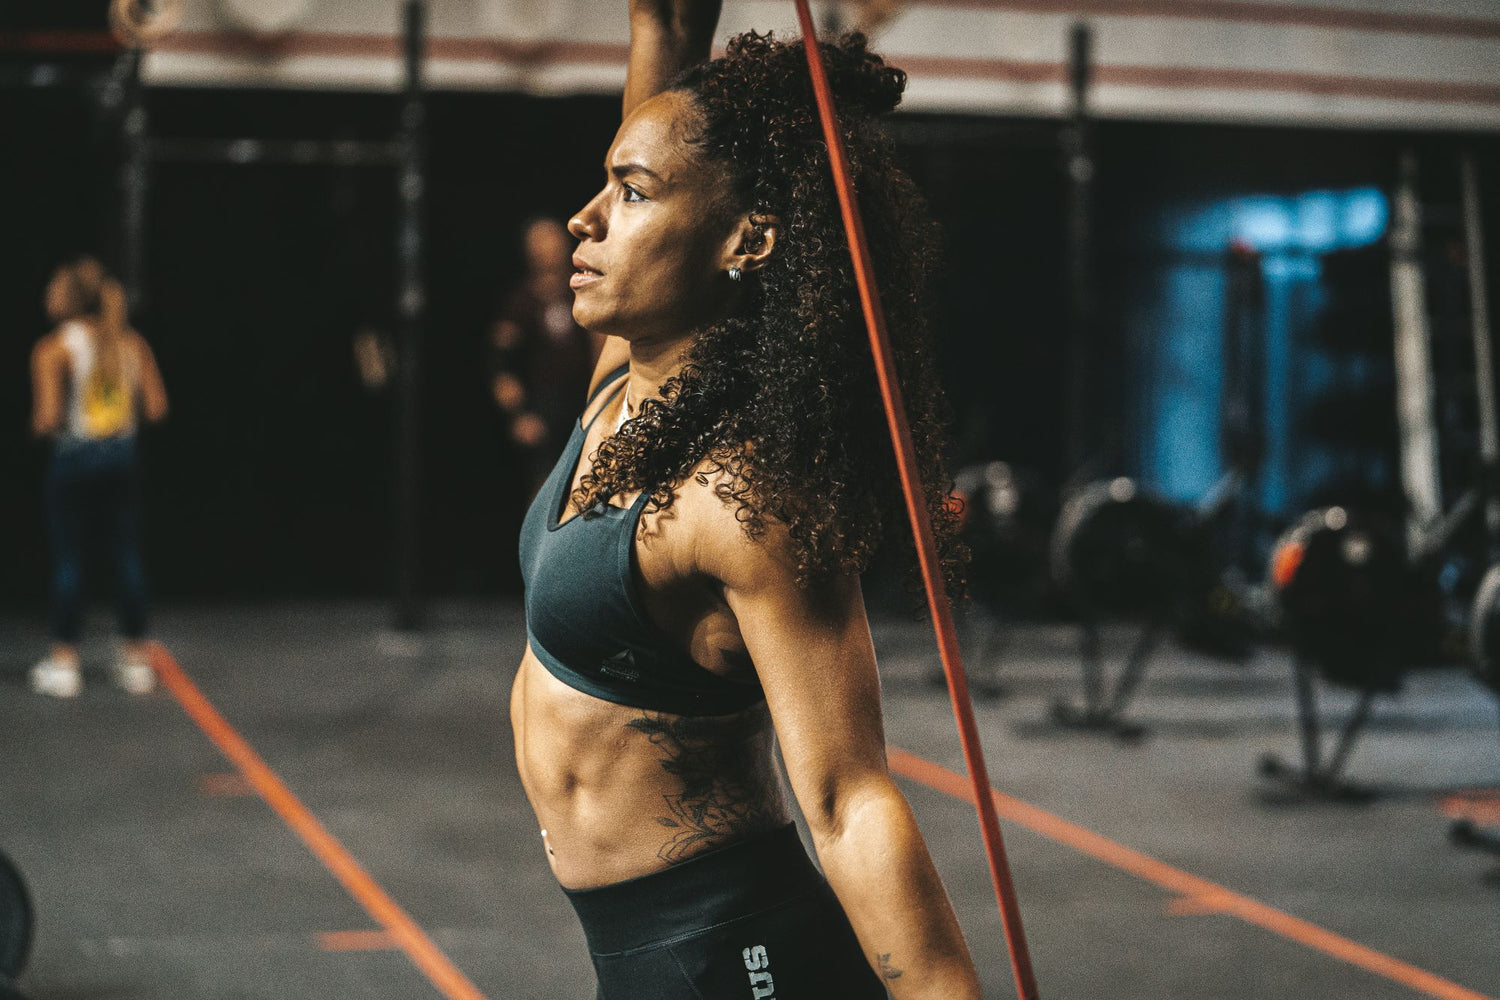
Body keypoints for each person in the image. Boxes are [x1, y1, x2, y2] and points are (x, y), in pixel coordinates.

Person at [511, 2, 982, 997]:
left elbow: (848, 796)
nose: (583, 218)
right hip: (637, 953)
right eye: (605, 183)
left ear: (746, 239)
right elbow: (669, 46)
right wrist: (661, 25)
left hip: (733, 961)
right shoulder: (625, 392)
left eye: (628, 195)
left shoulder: (742, 495)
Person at [28, 257, 168, 698]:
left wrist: (42, 426)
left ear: (67, 300)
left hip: (75, 457)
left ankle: (66, 662)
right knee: (125, 555)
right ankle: (134, 660)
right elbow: (157, 407)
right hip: (121, 457)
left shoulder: (54, 348)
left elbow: (49, 417)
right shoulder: (130, 343)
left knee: (71, 557)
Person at [491, 217, 605, 497]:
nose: (548, 248)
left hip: (582, 405)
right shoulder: (520, 302)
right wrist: (519, 415)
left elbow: (599, 344)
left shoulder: (580, 289)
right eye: (540, 242)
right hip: (542, 410)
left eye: (552, 239)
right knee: (543, 490)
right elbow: (502, 365)